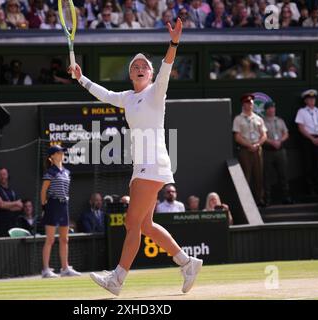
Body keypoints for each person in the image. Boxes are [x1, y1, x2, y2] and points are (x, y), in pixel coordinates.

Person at [72, 17, 203, 296]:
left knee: (132, 223)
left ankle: (117, 279)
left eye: (145, 66)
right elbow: (105, 94)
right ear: (131, 75)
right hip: (142, 166)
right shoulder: (128, 98)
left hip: (152, 164)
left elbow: (167, 66)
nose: (140, 68)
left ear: (151, 74)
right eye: (135, 67)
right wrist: (81, 78)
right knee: (145, 224)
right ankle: (187, 262)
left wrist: (174, 42)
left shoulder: (157, 92)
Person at [40, 145, 81, 278]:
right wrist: (44, 206)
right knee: (50, 239)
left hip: (64, 206)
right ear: (52, 156)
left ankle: (65, 268)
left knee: (65, 239)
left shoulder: (67, 172)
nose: (61, 154)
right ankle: (46, 270)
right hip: (52, 205)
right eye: (58, 152)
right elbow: (43, 191)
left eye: (62, 152)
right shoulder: (49, 172)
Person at [233, 93, 267, 206]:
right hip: (245, 150)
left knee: (259, 175)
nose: (250, 105)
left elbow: (264, 135)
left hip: (257, 149)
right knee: (246, 175)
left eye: (251, 103)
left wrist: (257, 145)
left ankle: (259, 199)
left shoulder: (258, 118)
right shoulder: (238, 119)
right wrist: (249, 145)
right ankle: (246, 201)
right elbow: (237, 136)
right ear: (243, 104)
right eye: (248, 103)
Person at [295, 89, 318, 195]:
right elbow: (301, 127)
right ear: (305, 101)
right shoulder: (302, 111)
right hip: (308, 140)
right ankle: (310, 189)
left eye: (313, 98)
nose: (312, 101)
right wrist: (311, 138)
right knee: (308, 164)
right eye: (309, 99)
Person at [263, 101, 292, 205]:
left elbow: (286, 133)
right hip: (268, 151)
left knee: (283, 174)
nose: (272, 110)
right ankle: (267, 199)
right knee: (266, 175)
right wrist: (272, 142)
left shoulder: (280, 120)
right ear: (266, 110)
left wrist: (280, 141)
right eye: (269, 108)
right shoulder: (262, 121)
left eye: (273, 108)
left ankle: (286, 197)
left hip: (280, 151)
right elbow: (262, 135)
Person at [0, 167, 23, 237]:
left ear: (7, 175)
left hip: (13, 226)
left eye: (4, 174)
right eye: (0, 175)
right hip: (1, 228)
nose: (2, 176)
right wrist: (15, 203)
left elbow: (20, 206)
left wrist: (6, 205)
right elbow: (1, 205)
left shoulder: (12, 192)